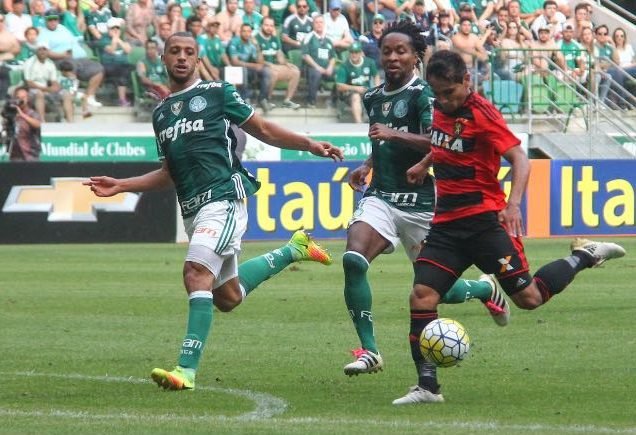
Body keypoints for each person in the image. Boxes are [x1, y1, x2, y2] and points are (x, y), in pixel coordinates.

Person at [83, 32, 344, 391]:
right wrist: (122, 184)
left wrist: (309, 144)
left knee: (194, 272)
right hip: (194, 209)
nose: (182, 57)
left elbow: (263, 129)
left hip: (223, 197)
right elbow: (169, 173)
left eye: (189, 52)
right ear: (163, 57)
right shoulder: (161, 115)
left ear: (197, 58)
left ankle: (185, 370)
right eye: (175, 51)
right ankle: (294, 249)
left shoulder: (217, 93)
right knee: (228, 297)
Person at [391, 49, 626, 405]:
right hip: (446, 225)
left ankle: (583, 255)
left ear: (466, 81)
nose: (443, 100)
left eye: (449, 93)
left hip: (486, 223)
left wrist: (513, 203)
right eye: (437, 93)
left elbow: (520, 158)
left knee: (529, 298)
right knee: (422, 296)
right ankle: (427, 387)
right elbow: (442, 141)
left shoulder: (483, 114)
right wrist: (425, 163)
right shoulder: (440, 107)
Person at [343, 21, 510, 377]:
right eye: (387, 51)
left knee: (437, 290)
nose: (392, 57)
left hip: (421, 204)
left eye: (401, 51)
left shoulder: (425, 95)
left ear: (416, 56)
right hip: (382, 196)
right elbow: (381, 142)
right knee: (354, 258)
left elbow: (437, 140)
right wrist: (367, 164)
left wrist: (394, 134)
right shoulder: (373, 98)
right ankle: (370, 350)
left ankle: (483, 289)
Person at [255, 16, 302, 110]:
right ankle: (267, 100)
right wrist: (270, 65)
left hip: (273, 66)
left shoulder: (274, 39)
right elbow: (258, 60)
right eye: (266, 25)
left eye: (271, 26)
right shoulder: (256, 38)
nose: (269, 28)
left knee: (295, 71)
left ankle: (287, 101)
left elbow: (280, 57)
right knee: (273, 72)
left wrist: (286, 63)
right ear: (261, 26)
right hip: (261, 68)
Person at [335, 41, 379, 123]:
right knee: (356, 96)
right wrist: (355, 88)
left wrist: (377, 87)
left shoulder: (369, 62)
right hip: (348, 92)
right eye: (351, 52)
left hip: (366, 90)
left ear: (360, 53)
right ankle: (359, 123)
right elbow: (339, 86)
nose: (354, 54)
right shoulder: (344, 66)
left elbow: (376, 75)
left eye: (356, 52)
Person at [6, 86, 42, 161]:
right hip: (15, 154)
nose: (21, 99)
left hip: (30, 154)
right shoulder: (12, 113)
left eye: (23, 97)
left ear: (28, 99)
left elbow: (38, 124)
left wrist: (22, 115)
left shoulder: (32, 113)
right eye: (18, 97)